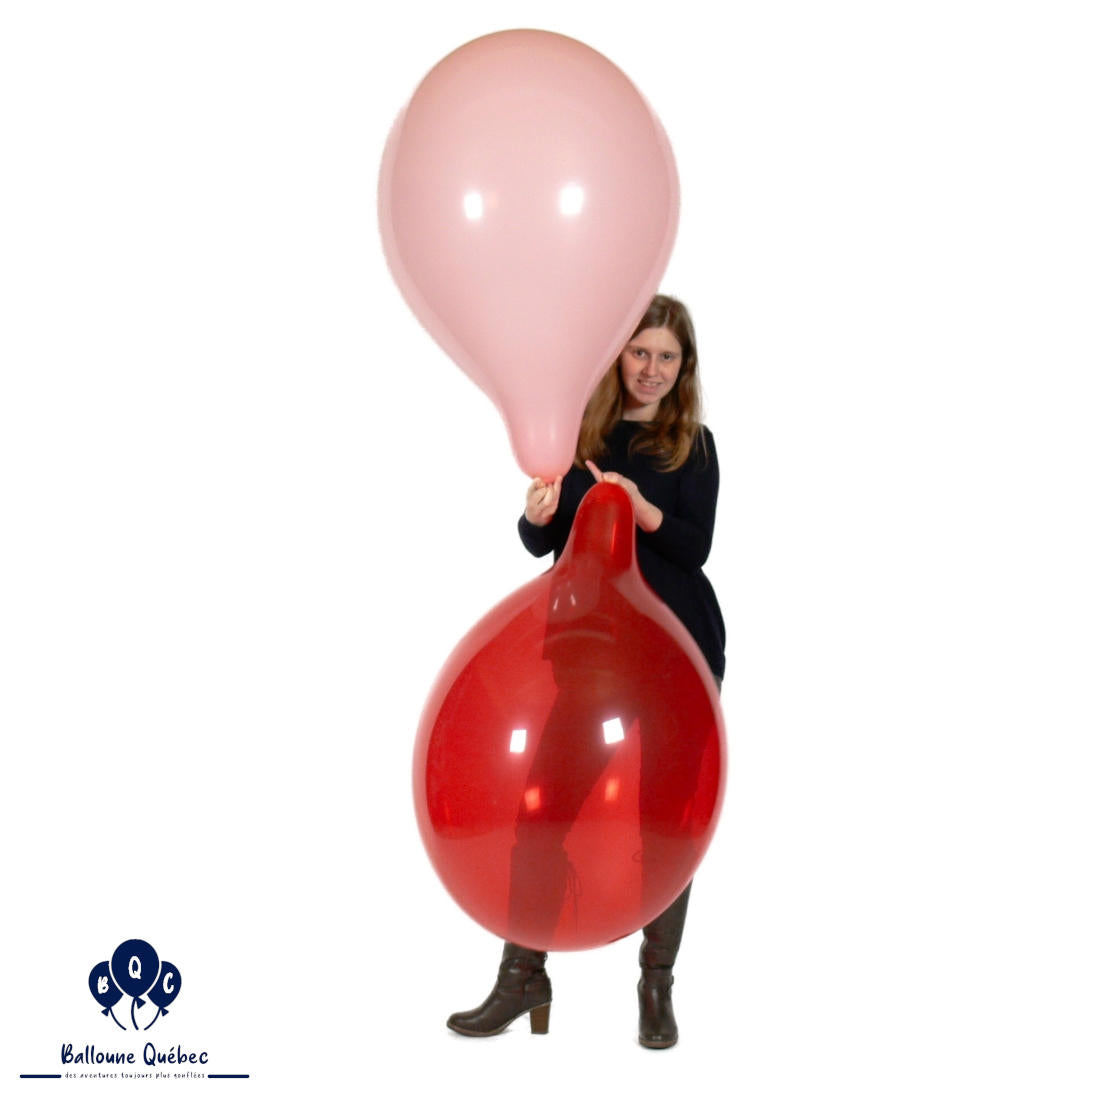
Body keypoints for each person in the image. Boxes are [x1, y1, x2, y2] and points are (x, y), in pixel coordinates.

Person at [446, 294, 725, 1049]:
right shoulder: (581, 436)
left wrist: (638, 508)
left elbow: (695, 546)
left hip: (675, 657)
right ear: (617, 355)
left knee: (664, 822)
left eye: (667, 357)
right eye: (641, 353)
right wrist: (537, 515)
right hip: (585, 653)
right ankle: (522, 977)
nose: (652, 369)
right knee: (543, 807)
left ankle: (656, 987)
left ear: (684, 369)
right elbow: (547, 546)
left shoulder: (694, 446)